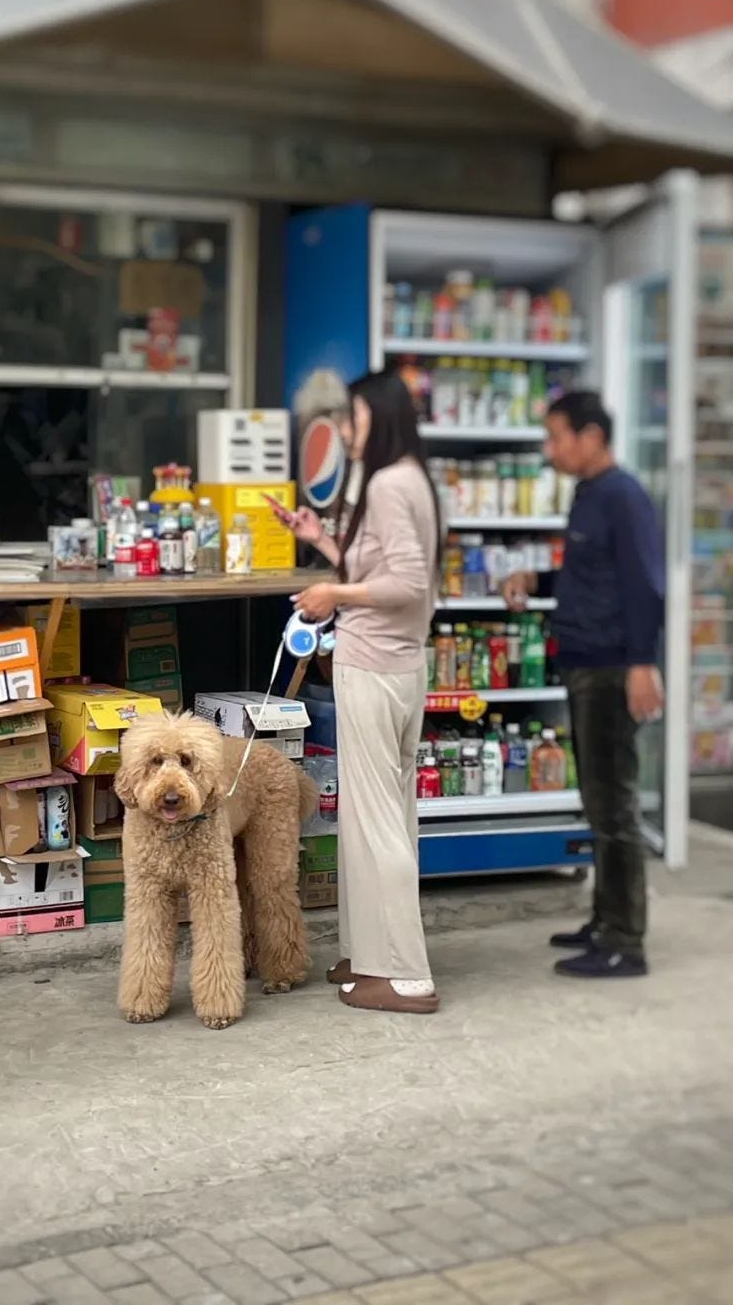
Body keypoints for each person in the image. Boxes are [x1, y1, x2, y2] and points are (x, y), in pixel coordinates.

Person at [290, 370, 441, 1014]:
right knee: (378, 817)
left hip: (374, 665)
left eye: (354, 418)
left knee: (377, 824)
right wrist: (322, 540)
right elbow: (386, 568)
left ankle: (406, 975)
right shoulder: (413, 478)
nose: (347, 431)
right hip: (401, 667)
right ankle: (367, 956)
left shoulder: (384, 484)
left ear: (379, 417)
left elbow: (407, 583)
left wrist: (332, 593)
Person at [503, 390, 664, 980]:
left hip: (611, 667)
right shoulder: (589, 493)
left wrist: (642, 664)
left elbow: (645, 585)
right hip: (585, 663)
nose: (551, 450)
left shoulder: (624, 496)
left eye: (557, 437)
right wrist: (537, 578)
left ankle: (626, 942)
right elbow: (589, 576)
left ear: (591, 436)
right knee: (598, 802)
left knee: (614, 805)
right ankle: (604, 921)